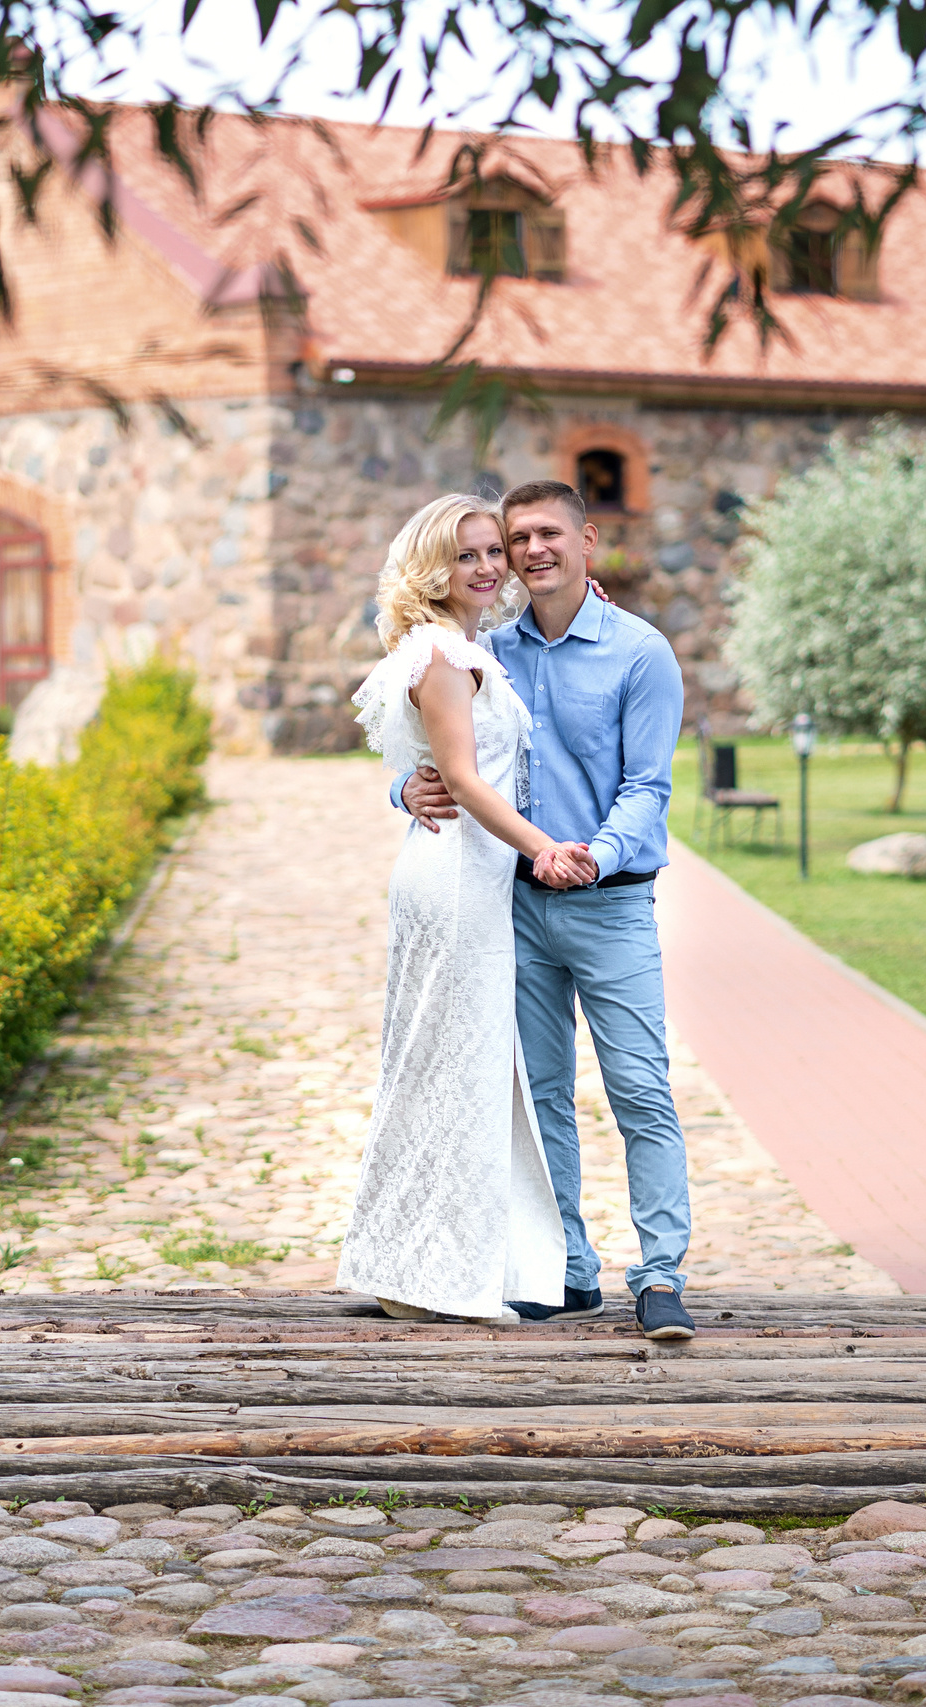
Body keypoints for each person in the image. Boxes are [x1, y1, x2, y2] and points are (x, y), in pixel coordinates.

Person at [397, 479, 696, 1341]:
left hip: (611, 905)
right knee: (540, 1098)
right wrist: (404, 788)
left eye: (547, 534)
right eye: (516, 537)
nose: (531, 551)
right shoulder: (487, 651)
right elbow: (448, 755)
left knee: (640, 1089)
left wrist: (594, 853)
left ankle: (661, 1273)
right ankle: (568, 1266)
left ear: (586, 539)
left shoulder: (642, 653)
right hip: (516, 908)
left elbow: (648, 786)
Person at [338, 494, 593, 1323]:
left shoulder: (450, 646)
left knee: (455, 1068)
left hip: (464, 874)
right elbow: (463, 777)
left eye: (491, 551)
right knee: (444, 1070)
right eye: (465, 554)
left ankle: (437, 1263)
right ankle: (425, 1274)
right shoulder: (445, 654)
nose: (486, 566)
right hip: (454, 880)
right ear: (432, 566)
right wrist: (544, 848)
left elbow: (436, 770)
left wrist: (406, 789)